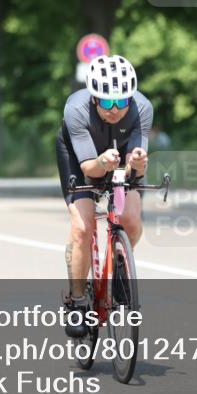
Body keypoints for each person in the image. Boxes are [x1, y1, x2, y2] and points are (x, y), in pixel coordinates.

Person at [56, 55, 152, 338]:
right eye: (106, 102)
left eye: (121, 102)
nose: (114, 109)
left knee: (131, 220)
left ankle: (120, 266)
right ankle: (77, 301)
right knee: (82, 228)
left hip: (118, 155)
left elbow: (136, 159)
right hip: (80, 158)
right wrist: (102, 163)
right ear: (94, 97)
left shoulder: (143, 108)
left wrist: (138, 163)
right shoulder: (75, 109)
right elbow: (89, 169)